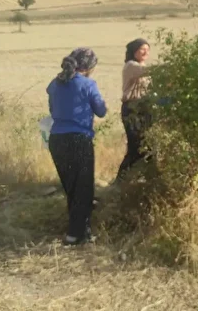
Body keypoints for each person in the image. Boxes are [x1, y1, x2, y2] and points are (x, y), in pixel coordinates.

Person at [46, 47, 107, 245]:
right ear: (89, 67)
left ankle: (81, 228)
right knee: (83, 188)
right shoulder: (88, 84)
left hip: (56, 139)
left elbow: (52, 109)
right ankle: (75, 234)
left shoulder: (55, 83)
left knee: (71, 187)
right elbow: (101, 111)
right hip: (79, 139)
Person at [114, 38, 152, 186]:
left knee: (147, 146)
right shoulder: (131, 66)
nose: (145, 52)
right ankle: (120, 181)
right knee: (136, 146)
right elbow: (149, 71)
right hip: (132, 109)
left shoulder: (142, 66)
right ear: (134, 51)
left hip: (144, 108)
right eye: (142, 49)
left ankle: (141, 181)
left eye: (147, 50)